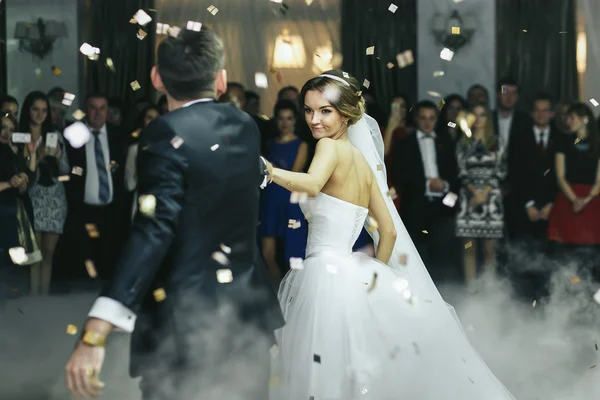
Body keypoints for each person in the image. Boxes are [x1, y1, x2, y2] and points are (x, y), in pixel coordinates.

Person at [266, 70, 514, 399]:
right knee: (357, 366)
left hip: (324, 274)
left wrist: (268, 171)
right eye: (309, 110)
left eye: (325, 111)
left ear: (345, 113)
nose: (314, 120)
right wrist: (372, 277)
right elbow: (389, 232)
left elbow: (310, 184)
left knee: (324, 368)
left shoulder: (327, 148)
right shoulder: (363, 163)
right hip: (352, 273)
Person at [64, 27, 283, 400]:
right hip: (247, 318)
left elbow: (154, 227)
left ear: (156, 78)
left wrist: (97, 326)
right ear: (220, 79)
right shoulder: (245, 126)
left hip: (186, 329)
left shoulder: (163, 132)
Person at [19, 91, 70, 295]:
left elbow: (66, 170)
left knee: (48, 253)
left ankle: (44, 298)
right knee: (34, 253)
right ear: (28, 111)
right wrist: (38, 155)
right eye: (35, 109)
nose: (40, 115)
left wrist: (57, 156)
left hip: (55, 197)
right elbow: (18, 170)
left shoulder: (54, 135)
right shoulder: (20, 135)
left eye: (44, 110)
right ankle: (33, 299)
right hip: (32, 196)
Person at [455, 103, 507, 286]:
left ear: (488, 118)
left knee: (489, 249)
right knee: (468, 248)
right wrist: (474, 193)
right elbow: (461, 172)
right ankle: (470, 288)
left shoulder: (497, 142)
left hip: (491, 198)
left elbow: (501, 172)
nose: (478, 118)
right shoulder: (463, 142)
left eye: (482, 114)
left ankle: (490, 289)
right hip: (468, 199)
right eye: (474, 114)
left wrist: (484, 192)